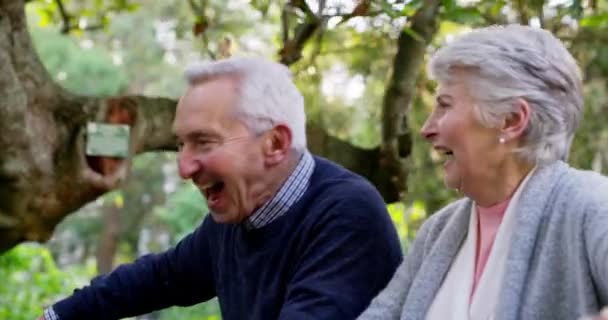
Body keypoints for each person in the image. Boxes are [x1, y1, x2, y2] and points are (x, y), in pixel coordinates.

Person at [40, 57, 403, 320]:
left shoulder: (348, 215)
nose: (184, 167)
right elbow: (160, 278)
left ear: (275, 144)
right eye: (181, 144)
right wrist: (57, 316)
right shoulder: (237, 219)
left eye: (203, 142)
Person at [357, 24, 608, 320]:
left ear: (511, 120)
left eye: (445, 106)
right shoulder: (438, 231)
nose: (426, 129)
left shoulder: (591, 203)